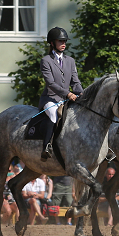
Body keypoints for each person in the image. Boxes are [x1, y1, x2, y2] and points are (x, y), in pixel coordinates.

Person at [39, 27, 83, 160]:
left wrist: (81, 92)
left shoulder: (70, 61)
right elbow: (51, 83)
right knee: (53, 114)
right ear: (52, 43)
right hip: (50, 99)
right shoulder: (46, 60)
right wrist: (68, 94)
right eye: (60, 41)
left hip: (66, 100)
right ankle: (47, 146)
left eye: (65, 41)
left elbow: (75, 81)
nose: (63, 43)